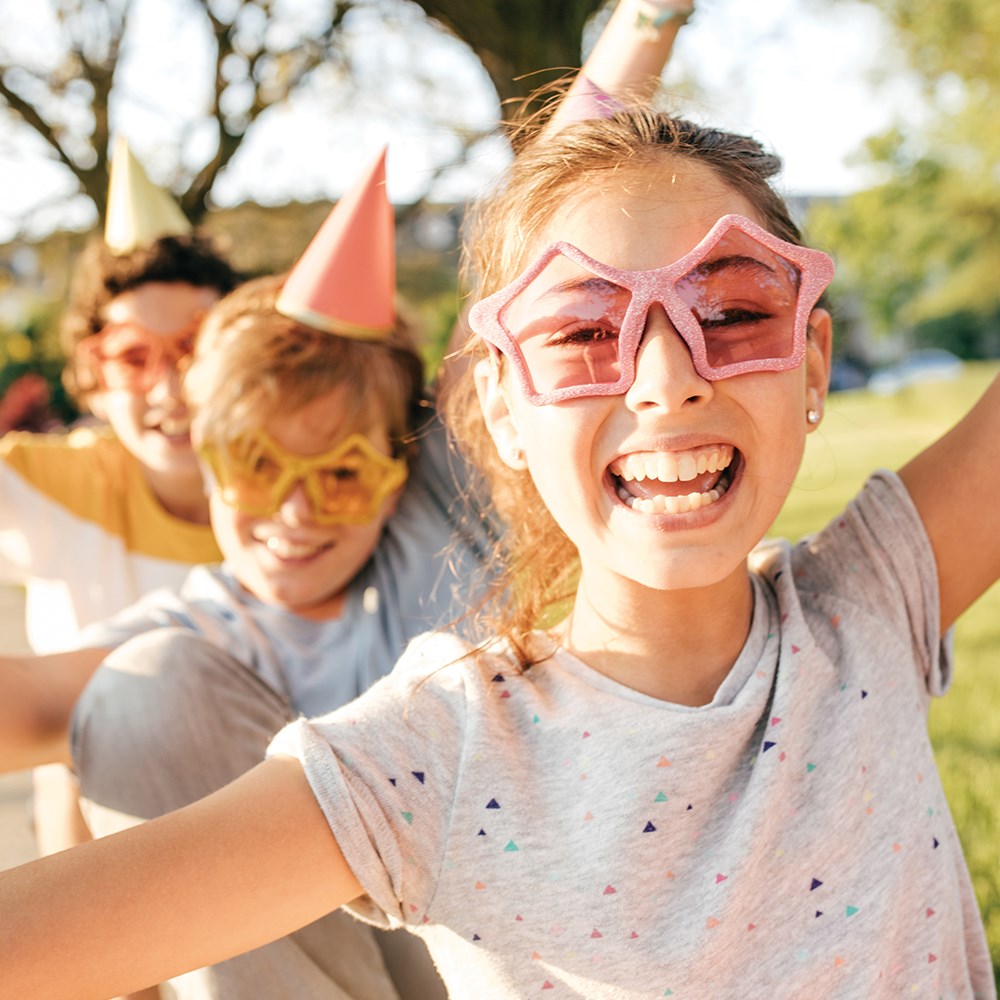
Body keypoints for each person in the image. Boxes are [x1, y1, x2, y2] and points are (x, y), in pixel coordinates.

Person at [2, 97, 997, 998]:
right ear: (503, 414)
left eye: (731, 313)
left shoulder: (870, 597)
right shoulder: (437, 752)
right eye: (582, 335)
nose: (664, 378)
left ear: (811, 361)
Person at [0, 138, 242, 860]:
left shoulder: (306, 489)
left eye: (196, 349)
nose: (171, 389)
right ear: (92, 375)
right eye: (135, 357)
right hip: (102, 821)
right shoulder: (50, 484)